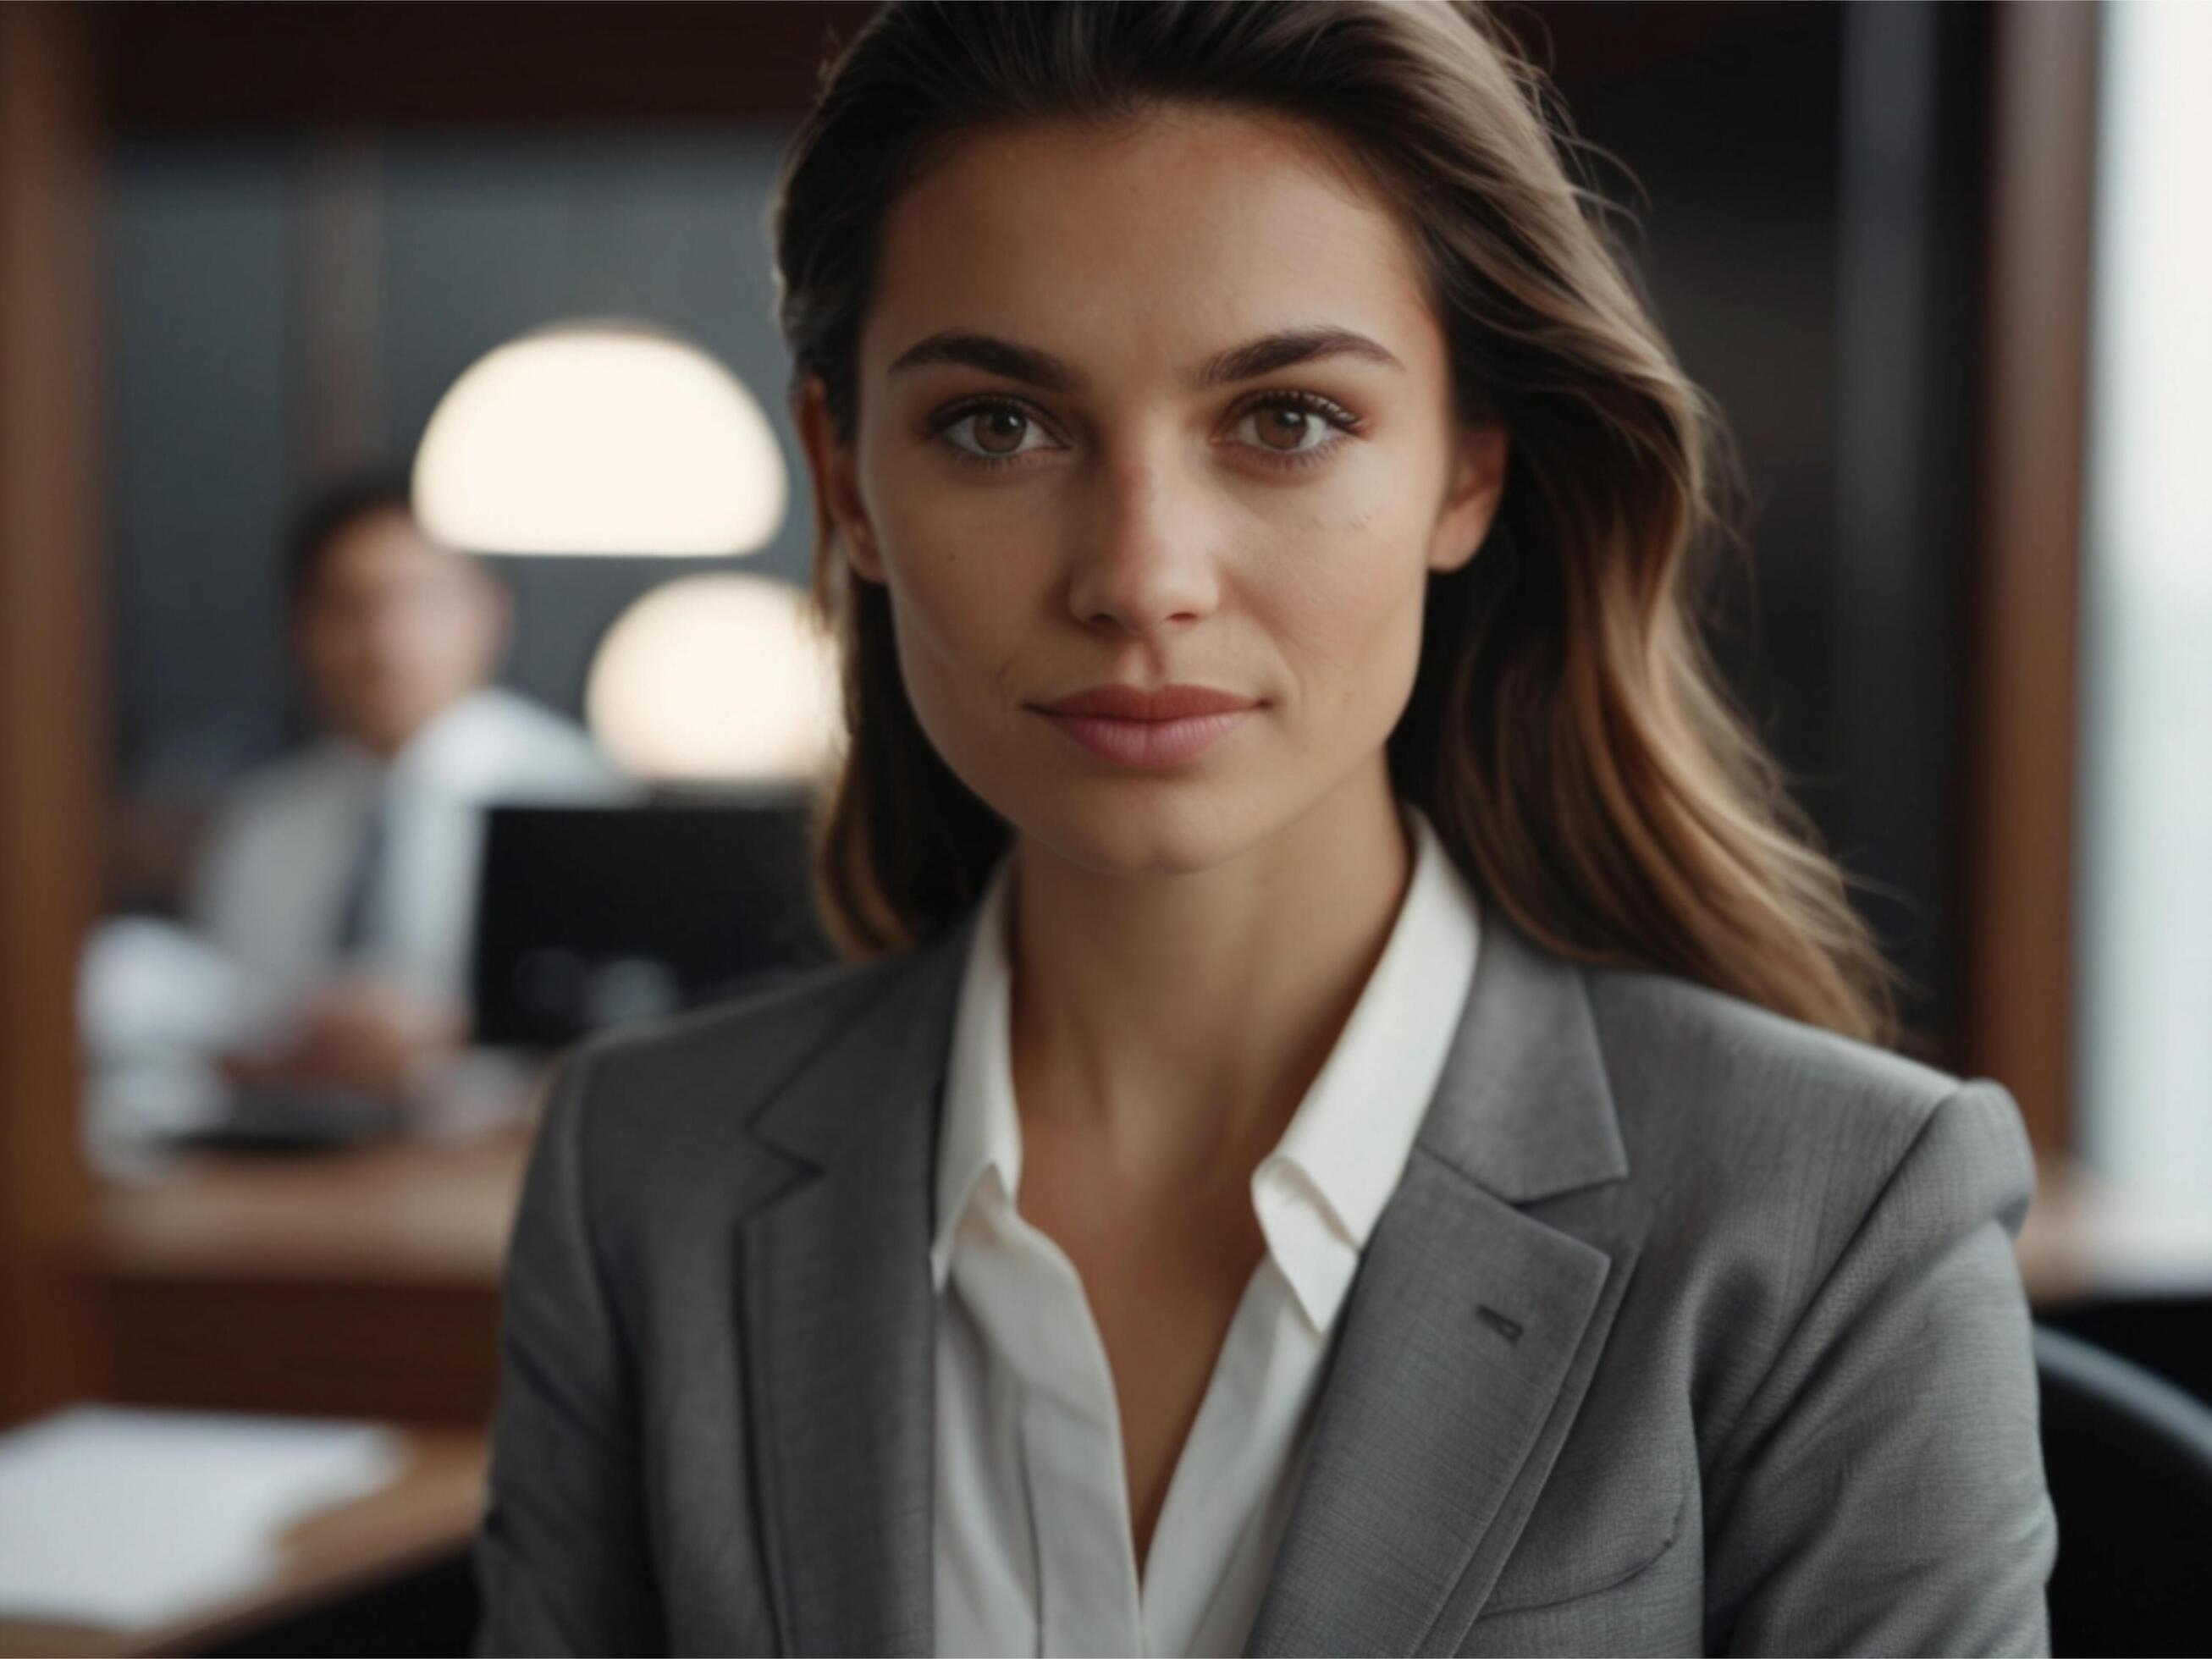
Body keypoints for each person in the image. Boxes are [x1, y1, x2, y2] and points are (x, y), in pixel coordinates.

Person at [472, 3, 2057, 1655]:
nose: (1141, 573)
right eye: (996, 424)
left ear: (1466, 470)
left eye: (1286, 417)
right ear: (851, 483)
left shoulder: (1836, 1215)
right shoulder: (642, 1169)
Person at [180, 471, 632, 1103]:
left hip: (498, 1162)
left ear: (489, 611)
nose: (385, 642)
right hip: (287, 1169)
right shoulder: (265, 821)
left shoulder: (577, 797)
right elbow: (214, 1020)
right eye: (350, 607)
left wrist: (456, 1035)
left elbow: (624, 1027)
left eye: (420, 600)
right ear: (301, 628)